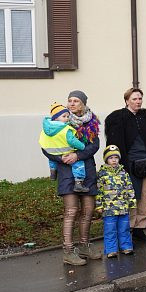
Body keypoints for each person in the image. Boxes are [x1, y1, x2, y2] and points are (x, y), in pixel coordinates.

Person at [42, 91, 101, 266]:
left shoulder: (91, 122)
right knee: (71, 211)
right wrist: (61, 158)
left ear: (83, 104)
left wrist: (78, 155)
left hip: (87, 171)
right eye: (70, 100)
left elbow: (94, 146)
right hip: (66, 172)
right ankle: (68, 251)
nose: (72, 104)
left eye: (76, 101)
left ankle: (84, 245)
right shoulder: (57, 121)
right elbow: (45, 147)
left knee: (89, 210)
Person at [105, 87, 146, 245]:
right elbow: (114, 144)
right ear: (126, 100)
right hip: (128, 165)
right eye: (134, 99)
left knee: (145, 197)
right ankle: (127, 230)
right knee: (130, 198)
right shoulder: (118, 118)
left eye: (140, 99)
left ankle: (140, 229)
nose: (138, 101)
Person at [95, 145, 136, 258]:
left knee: (124, 228)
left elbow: (129, 188)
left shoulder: (124, 173)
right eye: (111, 158)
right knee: (110, 230)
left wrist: (131, 202)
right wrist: (99, 205)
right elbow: (99, 191)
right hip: (109, 209)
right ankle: (111, 250)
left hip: (123, 208)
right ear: (106, 159)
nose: (114, 160)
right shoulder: (102, 174)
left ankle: (126, 247)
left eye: (116, 157)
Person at [39, 103, 88, 193]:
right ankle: (78, 183)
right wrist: (82, 146)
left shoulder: (46, 128)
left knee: (52, 161)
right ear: (56, 118)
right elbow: (72, 141)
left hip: (52, 152)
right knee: (78, 165)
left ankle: (53, 173)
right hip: (66, 152)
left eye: (67, 116)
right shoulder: (65, 128)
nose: (67, 118)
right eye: (64, 116)